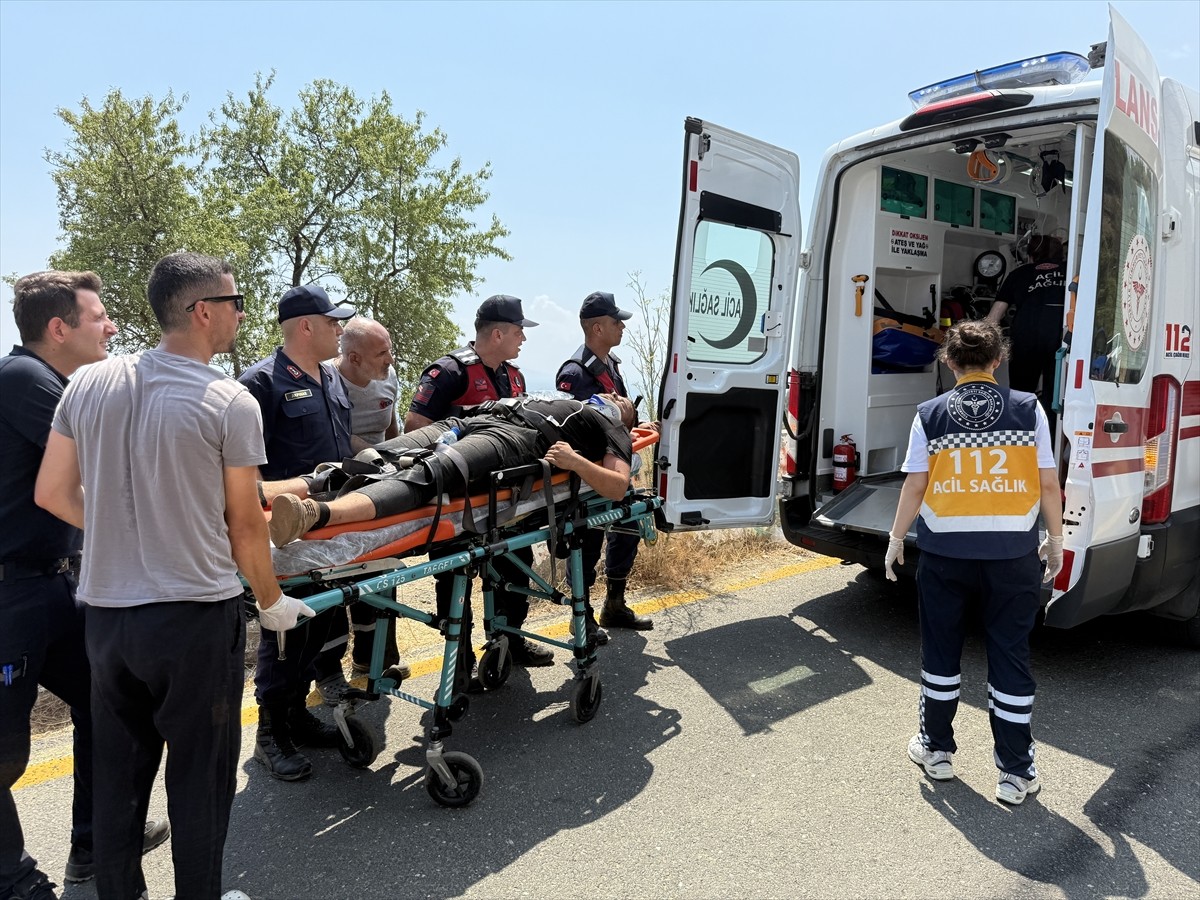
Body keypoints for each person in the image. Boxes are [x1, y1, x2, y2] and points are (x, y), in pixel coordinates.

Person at [34, 252, 314, 899]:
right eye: (237, 302)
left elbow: (51, 491)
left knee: (118, 779)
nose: (243, 312)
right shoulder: (228, 401)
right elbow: (246, 527)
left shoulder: (87, 386)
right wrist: (272, 602)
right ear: (203, 311)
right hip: (191, 619)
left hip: (104, 619)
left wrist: (118, 534)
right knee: (199, 779)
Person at [1, 272, 168, 900]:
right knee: (3, 751)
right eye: (100, 317)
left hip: (50, 588)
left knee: (113, 703)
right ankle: (14, 882)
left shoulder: (56, 384)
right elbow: (107, 465)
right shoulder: (24, 381)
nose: (113, 327)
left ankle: (93, 847)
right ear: (58, 328)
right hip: (10, 597)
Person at [883, 319, 1064, 807]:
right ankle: (1015, 772)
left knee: (941, 656)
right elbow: (1048, 483)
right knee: (1009, 656)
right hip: (1012, 557)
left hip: (946, 556)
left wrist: (897, 538)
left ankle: (936, 751)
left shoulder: (930, 413)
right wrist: (1056, 537)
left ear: (948, 362)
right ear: (997, 361)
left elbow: (915, 486)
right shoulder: (1029, 409)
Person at [238, 284, 356, 781]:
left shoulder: (331, 378)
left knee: (323, 624)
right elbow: (242, 481)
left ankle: (297, 716)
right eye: (333, 321)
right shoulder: (258, 385)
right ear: (304, 325)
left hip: (332, 529)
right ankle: (271, 733)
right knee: (284, 633)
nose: (340, 328)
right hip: (283, 537)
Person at [265, 393, 636, 545]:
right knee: (374, 456)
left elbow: (617, 486)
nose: (617, 396)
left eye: (623, 402)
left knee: (431, 473)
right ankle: (263, 494)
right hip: (472, 418)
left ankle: (316, 513)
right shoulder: (564, 395)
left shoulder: (611, 428)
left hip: (518, 437)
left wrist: (575, 462)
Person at [403, 295, 553, 672]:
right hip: (459, 502)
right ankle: (460, 659)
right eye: (519, 331)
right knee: (455, 581)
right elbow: (414, 428)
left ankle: (509, 640)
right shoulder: (449, 372)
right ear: (498, 333)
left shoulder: (513, 376)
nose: (524, 339)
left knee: (516, 567)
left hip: (506, 500)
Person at [556, 291, 653, 638]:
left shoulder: (611, 366)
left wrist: (637, 423)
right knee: (588, 540)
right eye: (616, 321)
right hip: (590, 476)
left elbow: (622, 418)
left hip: (618, 467)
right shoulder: (574, 372)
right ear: (597, 327)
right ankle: (581, 616)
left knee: (628, 527)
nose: (622, 326)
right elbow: (572, 426)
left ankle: (614, 604)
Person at [332, 317, 404, 678]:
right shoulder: (328, 381)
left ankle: (376, 658)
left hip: (382, 480)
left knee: (382, 568)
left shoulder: (387, 376)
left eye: (389, 349)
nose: (389, 359)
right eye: (381, 353)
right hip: (339, 484)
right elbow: (338, 437)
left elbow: (391, 425)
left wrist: (400, 455)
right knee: (340, 575)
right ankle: (328, 670)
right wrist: (380, 461)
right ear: (354, 358)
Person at [986, 235, 1067, 429]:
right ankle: (1050, 441)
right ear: (1061, 254)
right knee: (1054, 395)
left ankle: (1019, 439)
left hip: (1025, 337)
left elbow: (993, 318)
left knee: (1021, 395)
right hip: (1060, 339)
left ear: (1030, 256)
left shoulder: (1018, 274)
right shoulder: (1070, 271)